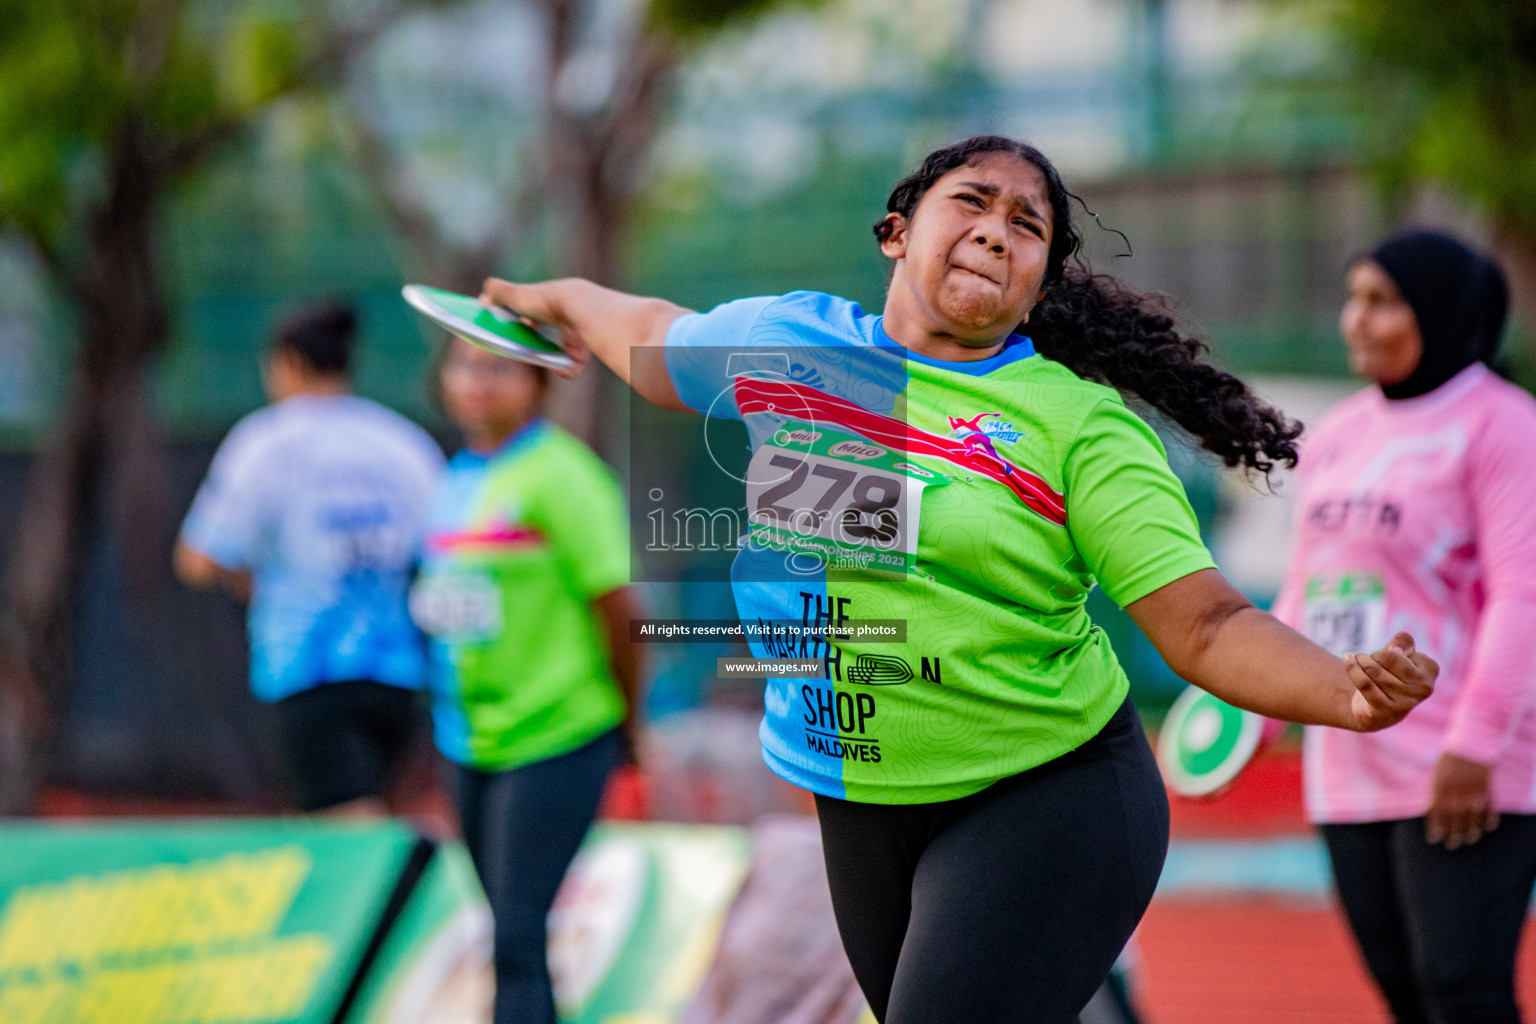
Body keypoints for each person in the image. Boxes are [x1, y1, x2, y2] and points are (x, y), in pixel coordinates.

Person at [479, 135, 1437, 1024]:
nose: (996, 230)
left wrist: (1341, 689)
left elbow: (1209, 624)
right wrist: (559, 298)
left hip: (1046, 792)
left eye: (1028, 227)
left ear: (1034, 289)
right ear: (898, 234)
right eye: (972, 203)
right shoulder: (787, 347)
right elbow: (653, 334)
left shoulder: (1076, 426)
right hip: (858, 794)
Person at [1272, 230, 1536, 1024]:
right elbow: (1304, 593)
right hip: (1349, 763)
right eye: (1353, 297)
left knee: (1463, 989)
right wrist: (1235, 718)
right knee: (1405, 994)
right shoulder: (1339, 434)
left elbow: (1524, 594)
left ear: (1438, 309)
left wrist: (1475, 744)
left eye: (1382, 301)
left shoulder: (1501, 424)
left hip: (1462, 764)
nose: (1357, 319)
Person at [413, 337, 644, 1024]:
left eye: (498, 368)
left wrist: (627, 729)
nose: (477, 382)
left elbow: (620, 609)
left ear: (539, 383)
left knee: (517, 932)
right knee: (508, 933)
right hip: (468, 741)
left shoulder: (563, 475)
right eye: (462, 364)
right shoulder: (453, 480)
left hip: (558, 733)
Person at [176, 301, 443, 814]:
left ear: (287, 363)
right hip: (398, 674)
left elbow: (199, 557)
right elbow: (440, 552)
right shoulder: (403, 441)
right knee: (373, 813)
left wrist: (247, 578)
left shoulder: (265, 441)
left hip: (310, 670)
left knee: (348, 828)